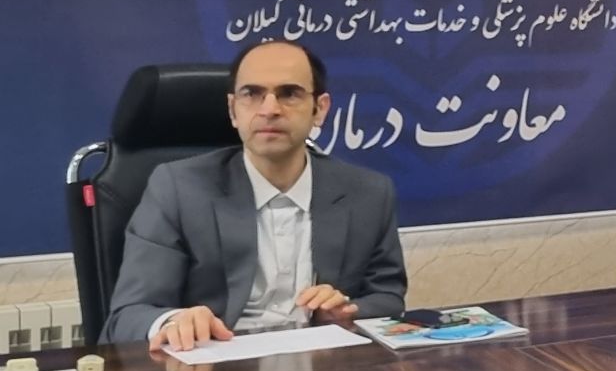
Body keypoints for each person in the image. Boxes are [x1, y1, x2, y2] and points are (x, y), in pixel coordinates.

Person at [101, 41, 407, 350]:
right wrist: (174, 321)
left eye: (289, 93)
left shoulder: (368, 192)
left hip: (324, 365)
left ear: (320, 109)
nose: (270, 109)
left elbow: (388, 298)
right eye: (252, 94)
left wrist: (346, 311)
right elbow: (128, 316)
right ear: (233, 110)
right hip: (215, 364)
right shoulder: (177, 188)